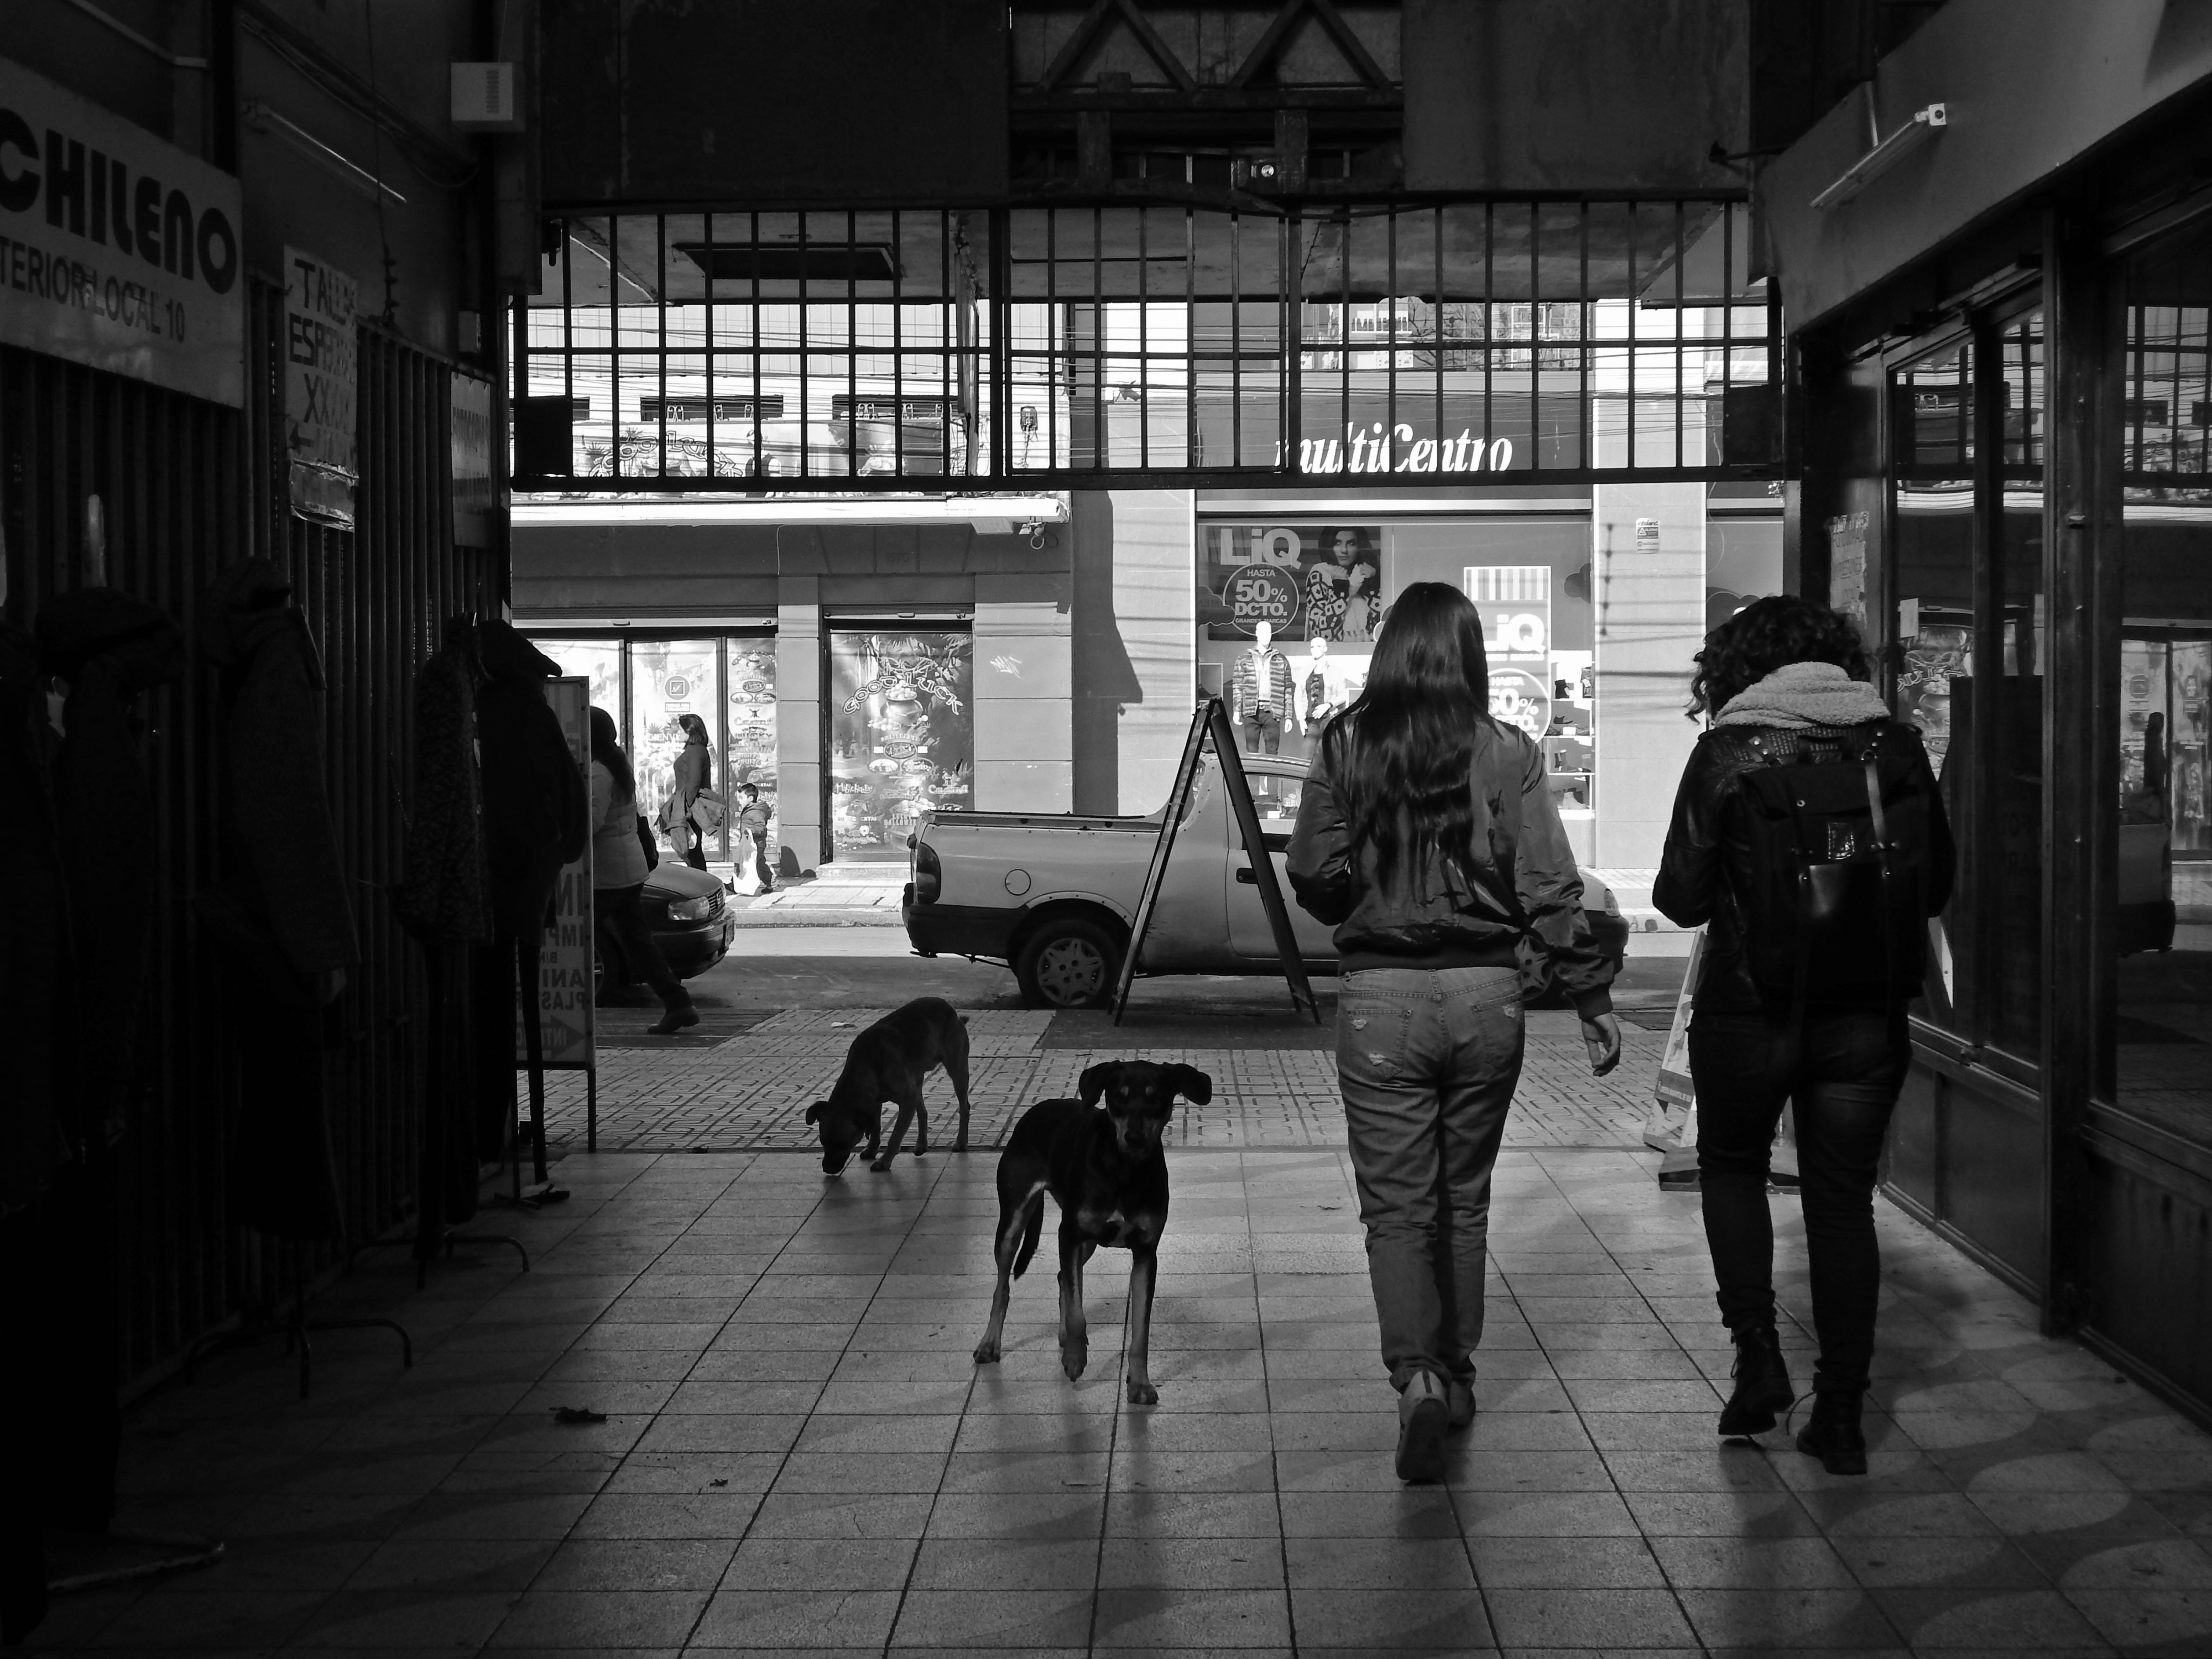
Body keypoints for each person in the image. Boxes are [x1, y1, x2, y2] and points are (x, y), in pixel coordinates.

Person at [1287, 582, 1622, 1483]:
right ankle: (1460, 1375)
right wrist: (1588, 997)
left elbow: (1310, 871)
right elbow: (1552, 883)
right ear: (1470, 655)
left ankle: (1418, 1380)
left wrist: (1361, 890)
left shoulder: (1347, 744)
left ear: (1389, 651)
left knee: (1396, 1207)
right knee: (1462, 1201)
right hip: (1486, 996)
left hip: (1380, 997)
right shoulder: (1508, 750)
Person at [1653, 595, 1954, 1476]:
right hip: (1865, 1014)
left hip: (1750, 1010)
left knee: (1734, 1169)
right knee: (1840, 1200)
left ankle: (1758, 1359)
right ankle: (1845, 1414)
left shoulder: (1730, 750)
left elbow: (1679, 897)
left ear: (1743, 666)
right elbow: (1934, 884)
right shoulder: (1894, 746)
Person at [591, 707, 698, 1035]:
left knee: (576, 936)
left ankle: (567, 1006)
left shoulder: (598, 773)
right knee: (638, 941)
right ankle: (678, 1003)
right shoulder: (616, 764)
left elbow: (591, 824)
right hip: (627, 867)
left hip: (607, 872)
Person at [670, 712, 713, 871]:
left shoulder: (696, 751)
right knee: (690, 849)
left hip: (691, 808)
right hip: (688, 806)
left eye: (681, 730)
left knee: (691, 850)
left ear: (691, 731)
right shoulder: (695, 750)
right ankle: (702, 885)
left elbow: (694, 782)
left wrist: (684, 808)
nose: (678, 733)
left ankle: (703, 887)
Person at [735, 782, 774, 893]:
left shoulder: (756, 812)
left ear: (751, 798)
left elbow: (761, 827)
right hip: (748, 842)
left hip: (756, 843)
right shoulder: (749, 810)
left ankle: (769, 883)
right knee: (742, 863)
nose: (739, 800)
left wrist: (749, 832)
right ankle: (735, 883)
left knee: (758, 864)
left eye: (742, 798)